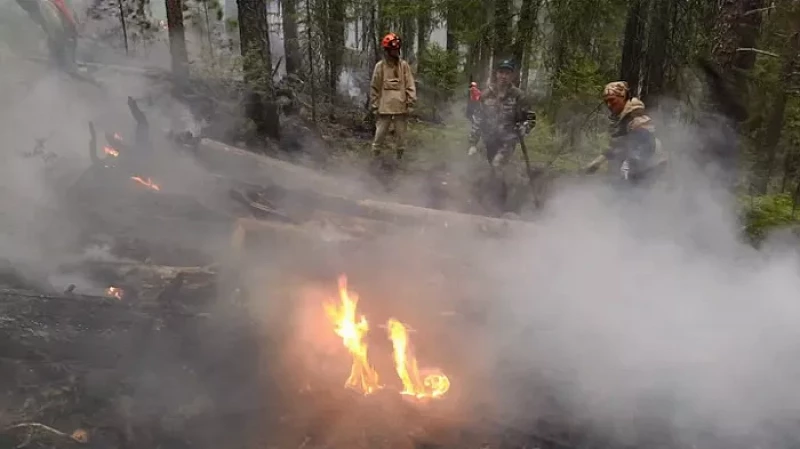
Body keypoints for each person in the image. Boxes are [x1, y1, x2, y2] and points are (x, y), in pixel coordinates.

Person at [583, 81, 666, 183]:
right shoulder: (625, 118)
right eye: (606, 102)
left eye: (612, 100)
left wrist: (629, 165)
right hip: (644, 162)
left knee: (631, 190)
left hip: (649, 162)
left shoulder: (636, 116)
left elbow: (644, 140)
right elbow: (618, 145)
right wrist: (597, 162)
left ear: (622, 98)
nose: (609, 105)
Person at [467, 60, 536, 169]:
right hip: (489, 139)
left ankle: (501, 183)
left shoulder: (519, 96)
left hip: (507, 141)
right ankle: (500, 184)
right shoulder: (486, 94)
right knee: (486, 167)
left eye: (507, 73)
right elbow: (478, 119)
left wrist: (523, 129)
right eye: (501, 72)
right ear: (496, 74)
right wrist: (473, 143)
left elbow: (531, 118)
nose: (504, 76)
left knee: (497, 164)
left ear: (512, 76)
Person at [369, 32, 417, 160]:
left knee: (401, 135)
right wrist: (375, 105)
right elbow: (375, 87)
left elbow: (410, 84)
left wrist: (410, 102)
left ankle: (399, 158)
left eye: (397, 49)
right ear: (387, 50)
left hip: (401, 106)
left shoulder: (404, 66)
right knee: (380, 133)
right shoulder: (380, 67)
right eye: (393, 50)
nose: (396, 52)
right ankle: (375, 156)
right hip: (384, 107)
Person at [16, 0, 78, 71]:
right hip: (62, 29)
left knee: (60, 46)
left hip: (63, 29)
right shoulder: (44, 4)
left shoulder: (44, 5)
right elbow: (55, 21)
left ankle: (62, 66)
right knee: (60, 46)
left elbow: (56, 21)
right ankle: (62, 66)